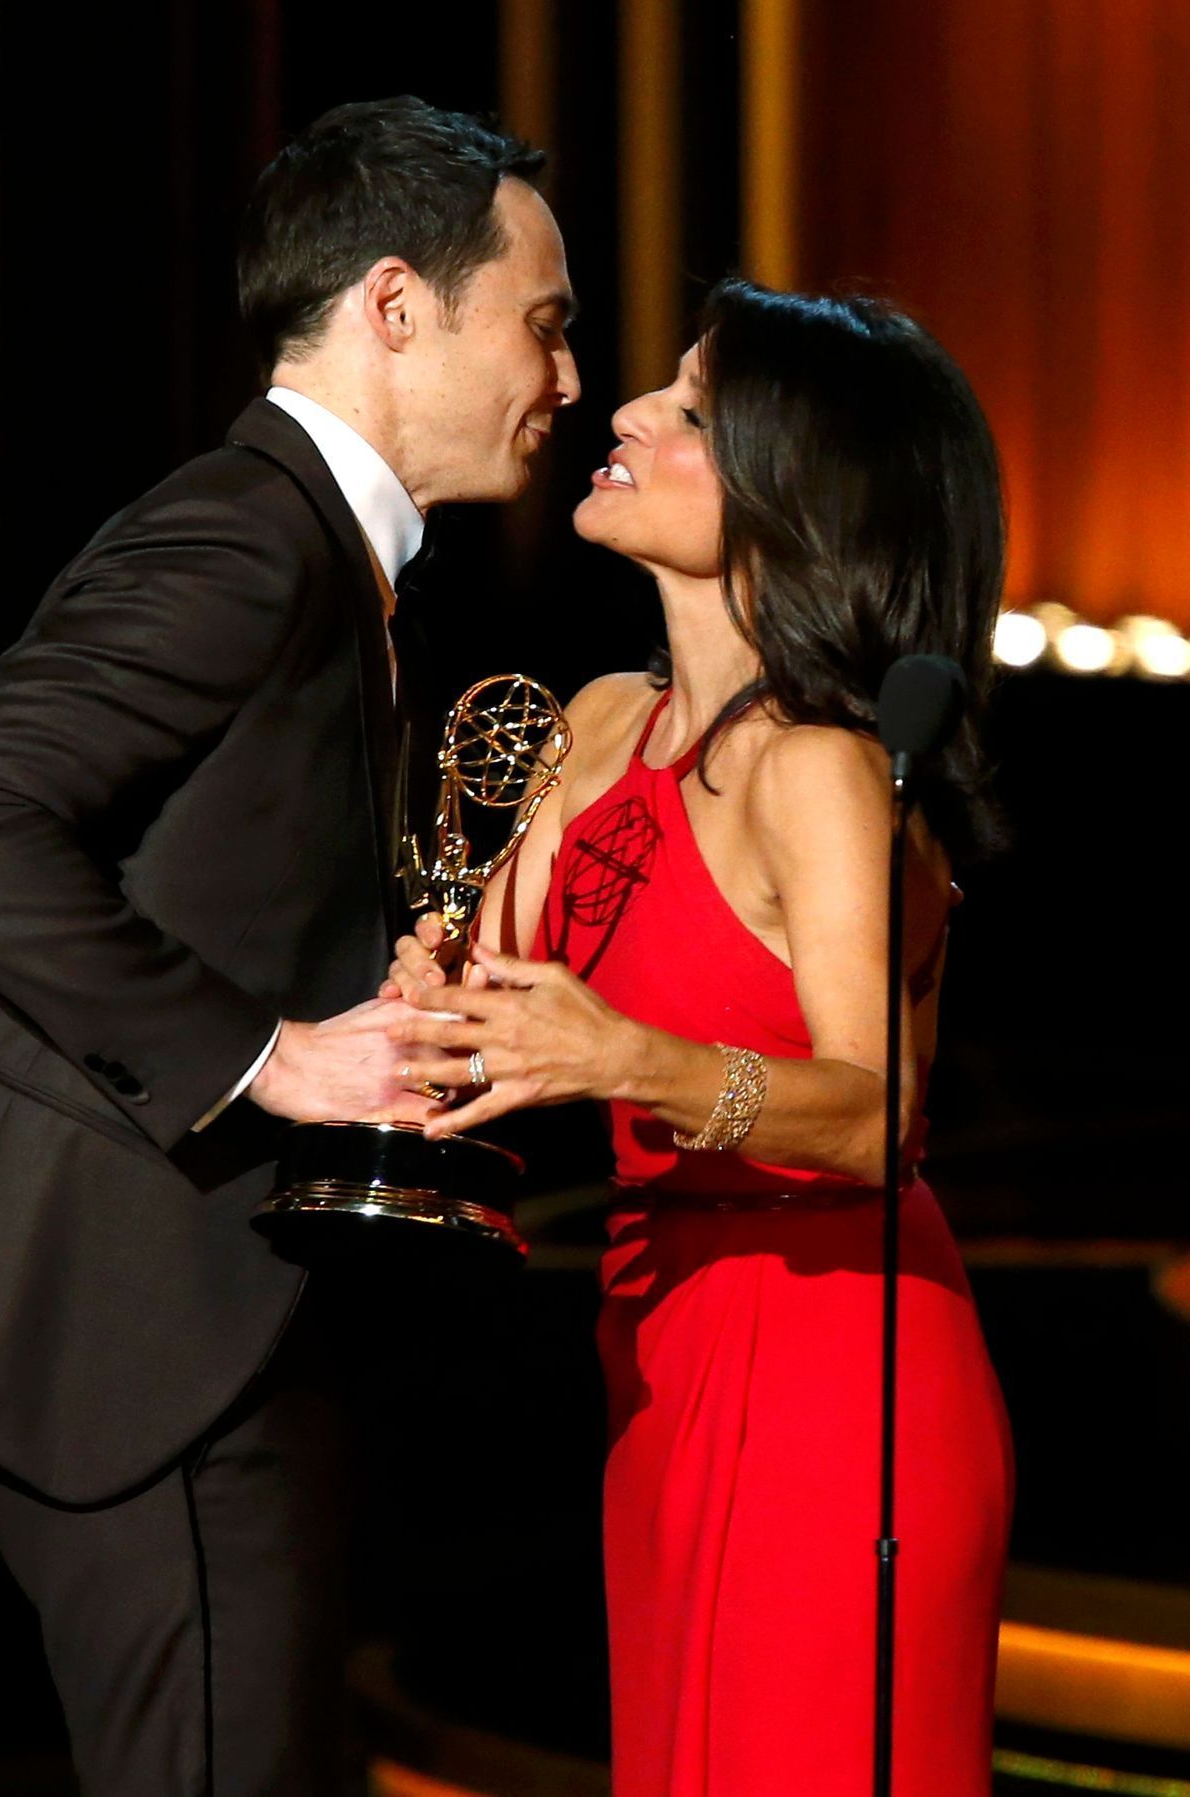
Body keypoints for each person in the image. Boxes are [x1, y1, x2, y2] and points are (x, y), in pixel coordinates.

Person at [0, 96, 578, 1797]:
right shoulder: (250, 532)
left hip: (208, 1318)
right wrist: (270, 1053)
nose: (565, 378)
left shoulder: (327, 556)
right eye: (541, 321)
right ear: (396, 305)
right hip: (144, 1341)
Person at [387, 280, 1013, 1796]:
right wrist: (444, 1004)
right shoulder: (598, 719)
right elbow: (528, 1012)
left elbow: (880, 1116)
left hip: (833, 1363)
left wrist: (623, 1061)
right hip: (654, 1335)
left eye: (688, 408)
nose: (626, 413)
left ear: (797, 489)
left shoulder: (820, 767)